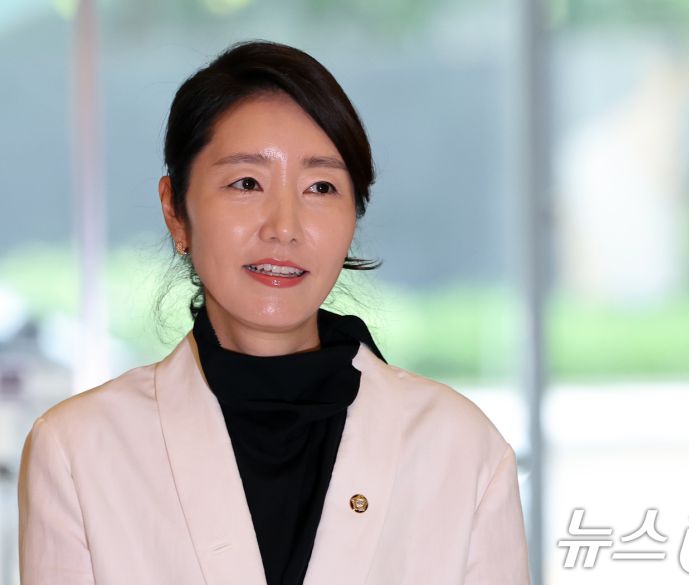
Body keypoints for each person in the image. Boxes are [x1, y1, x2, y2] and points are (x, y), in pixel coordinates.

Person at [17, 40, 530, 585]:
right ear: (175, 210)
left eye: (321, 187)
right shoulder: (77, 449)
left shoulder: (461, 447)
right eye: (246, 183)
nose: (284, 227)